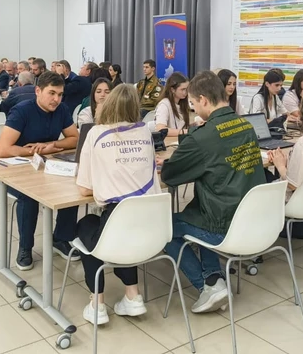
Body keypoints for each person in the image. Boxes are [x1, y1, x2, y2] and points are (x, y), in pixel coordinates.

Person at [160, 71, 266, 313]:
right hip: (250, 218)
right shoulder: (246, 126)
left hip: (222, 224)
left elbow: (170, 175)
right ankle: (213, 277)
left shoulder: (203, 136)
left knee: (165, 228)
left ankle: (206, 286)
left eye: (194, 104)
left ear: (204, 100)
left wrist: (190, 139)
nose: (194, 109)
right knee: (197, 211)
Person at [76, 84, 158, 324]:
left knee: (88, 225)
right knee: (122, 224)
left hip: (118, 227)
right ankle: (133, 295)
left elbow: (84, 189)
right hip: (150, 230)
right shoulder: (145, 132)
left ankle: (97, 302)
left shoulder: (96, 133)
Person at [0, 71, 80, 270]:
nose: (56, 99)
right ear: (38, 91)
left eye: (60, 94)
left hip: (46, 166)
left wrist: (52, 145)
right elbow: (3, 149)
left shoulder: (61, 109)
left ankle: (61, 238)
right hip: (17, 170)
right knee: (29, 196)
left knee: (72, 186)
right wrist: (33, 151)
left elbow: (74, 139)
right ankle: (25, 247)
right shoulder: (21, 111)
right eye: (52, 93)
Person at [155, 72, 190, 137]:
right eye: (182, 89)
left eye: (187, 89)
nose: (185, 92)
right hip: (169, 141)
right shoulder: (164, 105)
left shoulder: (182, 103)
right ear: (172, 90)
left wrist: (193, 126)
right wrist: (186, 131)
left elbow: (180, 127)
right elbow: (161, 129)